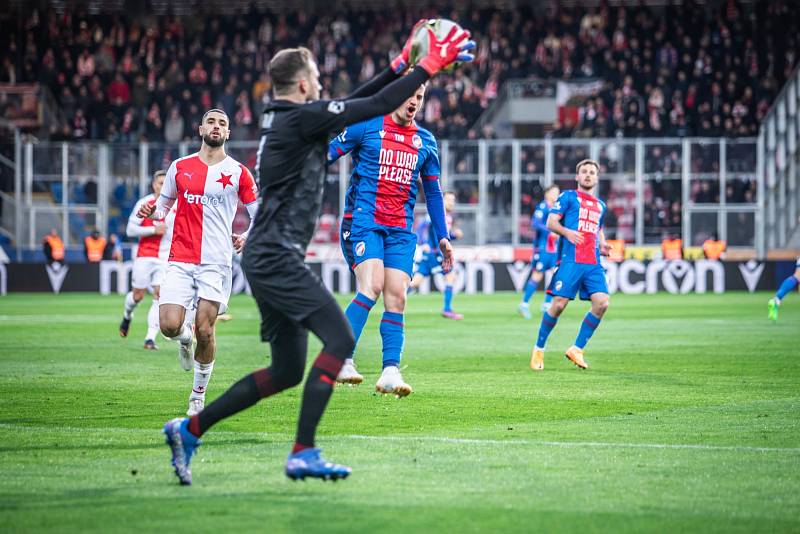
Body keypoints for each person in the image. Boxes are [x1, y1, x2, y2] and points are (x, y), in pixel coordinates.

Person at [161, 24, 475, 485]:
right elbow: (371, 105)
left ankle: (188, 430)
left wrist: (401, 61)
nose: (325, 88)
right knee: (340, 341)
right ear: (306, 85)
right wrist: (426, 65)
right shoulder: (302, 120)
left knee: (288, 369)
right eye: (318, 81)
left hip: (268, 255)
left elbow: (362, 99)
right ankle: (303, 451)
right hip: (275, 256)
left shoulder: (288, 118)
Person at [328, 82, 453, 396]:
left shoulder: (425, 141)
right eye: (410, 95)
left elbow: (434, 193)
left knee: (397, 297)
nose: (414, 102)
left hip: (400, 229)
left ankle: (390, 372)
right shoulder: (366, 126)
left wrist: (443, 237)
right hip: (363, 222)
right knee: (371, 287)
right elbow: (325, 155)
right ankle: (340, 359)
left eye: (420, 97)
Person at [138, 109, 259, 416]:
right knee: (168, 326)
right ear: (200, 128)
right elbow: (163, 208)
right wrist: (153, 215)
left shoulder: (239, 172)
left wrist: (246, 235)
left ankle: (197, 396)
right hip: (180, 259)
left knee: (207, 331)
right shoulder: (179, 168)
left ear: (228, 133)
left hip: (216, 263)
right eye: (212, 122)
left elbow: (260, 213)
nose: (216, 127)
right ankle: (184, 338)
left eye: (222, 123)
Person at [530, 159, 611, 371]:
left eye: (592, 172)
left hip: (593, 262)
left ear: (597, 177)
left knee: (602, 303)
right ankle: (539, 349)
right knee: (558, 305)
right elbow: (550, 222)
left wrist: (602, 244)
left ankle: (577, 349)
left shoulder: (601, 205)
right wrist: (567, 232)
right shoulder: (567, 197)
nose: (588, 175)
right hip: (571, 259)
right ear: (577, 177)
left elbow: (598, 228)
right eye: (584, 172)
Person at [119, 170, 175, 350]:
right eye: (160, 183)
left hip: (165, 258)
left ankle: (149, 339)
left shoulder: (176, 204)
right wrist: (153, 230)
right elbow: (130, 230)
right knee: (137, 296)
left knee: (159, 294)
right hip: (145, 256)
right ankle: (127, 316)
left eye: (165, 183)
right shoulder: (144, 203)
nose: (162, 186)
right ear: (154, 185)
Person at [408, 191, 462, 320]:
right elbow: (421, 227)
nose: (451, 202)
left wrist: (454, 235)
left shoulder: (448, 216)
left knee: (415, 283)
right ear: (442, 201)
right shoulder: (437, 213)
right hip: (434, 253)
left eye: (453, 200)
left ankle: (394, 298)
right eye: (449, 199)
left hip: (432, 254)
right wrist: (423, 242)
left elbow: (442, 236)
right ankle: (447, 309)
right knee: (450, 276)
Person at [518, 185, 560, 319]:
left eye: (557, 193)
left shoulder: (557, 209)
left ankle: (547, 305)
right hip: (542, 249)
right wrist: (551, 230)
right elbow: (535, 223)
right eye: (554, 192)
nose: (556, 195)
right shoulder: (542, 207)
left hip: (554, 249)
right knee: (537, 275)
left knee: (556, 275)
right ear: (547, 194)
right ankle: (524, 304)